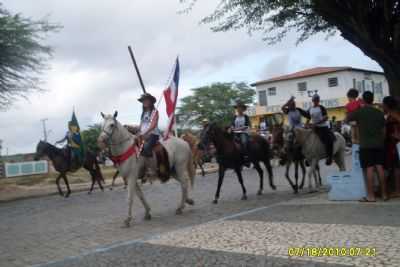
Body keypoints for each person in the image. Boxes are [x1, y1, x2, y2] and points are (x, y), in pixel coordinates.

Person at [346, 91, 387, 202]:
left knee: (369, 169)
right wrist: (380, 141)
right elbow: (384, 131)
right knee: (379, 168)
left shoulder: (360, 112)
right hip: (379, 144)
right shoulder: (379, 113)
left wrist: (355, 105)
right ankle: (384, 194)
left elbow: (347, 118)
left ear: (363, 100)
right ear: (372, 99)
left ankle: (371, 196)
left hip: (365, 145)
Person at [306, 94, 335, 165]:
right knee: (306, 140)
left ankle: (329, 157)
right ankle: (308, 157)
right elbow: (308, 118)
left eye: (317, 100)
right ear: (312, 101)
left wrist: (316, 123)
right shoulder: (310, 109)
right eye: (314, 100)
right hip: (314, 128)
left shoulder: (322, 108)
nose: (315, 102)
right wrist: (306, 124)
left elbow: (326, 118)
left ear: (318, 101)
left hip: (322, 127)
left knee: (328, 140)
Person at [382, 96, 400, 198]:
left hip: (395, 144)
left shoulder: (394, 114)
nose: (382, 105)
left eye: (383, 104)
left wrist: (397, 135)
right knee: (395, 167)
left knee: (397, 167)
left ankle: (398, 190)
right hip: (391, 144)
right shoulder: (390, 115)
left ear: (387, 105)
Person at [138, 93, 161, 157]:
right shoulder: (143, 113)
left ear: (151, 102)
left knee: (146, 148)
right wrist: (130, 127)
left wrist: (145, 133)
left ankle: (151, 165)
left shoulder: (155, 112)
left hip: (153, 134)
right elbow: (140, 126)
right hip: (143, 135)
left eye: (146, 100)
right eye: (143, 101)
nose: (144, 102)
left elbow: (153, 125)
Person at [231, 100, 251, 166]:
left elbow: (246, 126)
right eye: (237, 108)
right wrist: (231, 128)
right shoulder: (234, 117)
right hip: (235, 133)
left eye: (240, 108)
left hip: (243, 132)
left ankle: (246, 157)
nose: (239, 109)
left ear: (243, 109)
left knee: (244, 141)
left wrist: (238, 129)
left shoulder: (246, 117)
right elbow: (232, 125)